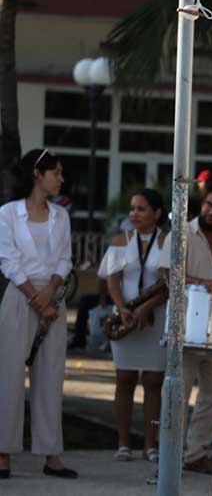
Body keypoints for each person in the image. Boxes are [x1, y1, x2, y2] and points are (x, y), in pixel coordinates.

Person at [0, 149, 76, 479]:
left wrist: (49, 297)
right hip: (20, 296)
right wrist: (36, 299)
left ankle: (50, 453)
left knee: (50, 376)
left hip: (52, 300)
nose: (60, 179)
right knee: (9, 376)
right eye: (55, 173)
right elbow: (8, 261)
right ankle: (3, 451)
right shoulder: (7, 213)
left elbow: (65, 259)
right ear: (37, 174)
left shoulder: (61, 215)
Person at [158, 182, 212, 475]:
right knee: (175, 398)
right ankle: (167, 458)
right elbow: (168, 275)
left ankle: (195, 454)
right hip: (183, 331)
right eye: (209, 204)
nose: (211, 211)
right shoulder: (181, 234)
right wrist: (199, 283)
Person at [99, 189, 169, 463]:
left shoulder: (168, 240)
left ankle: (150, 444)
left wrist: (145, 307)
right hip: (125, 318)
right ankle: (123, 443)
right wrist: (123, 307)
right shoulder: (120, 240)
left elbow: (169, 283)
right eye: (132, 209)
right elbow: (112, 279)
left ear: (157, 213)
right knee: (124, 378)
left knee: (153, 381)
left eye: (141, 209)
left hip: (155, 317)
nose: (134, 214)